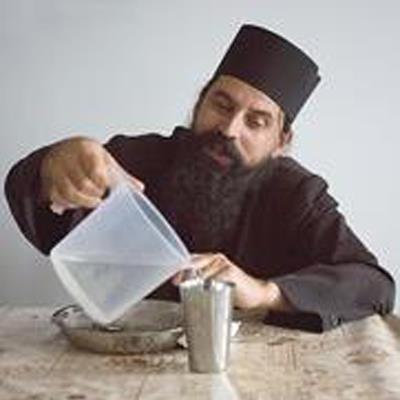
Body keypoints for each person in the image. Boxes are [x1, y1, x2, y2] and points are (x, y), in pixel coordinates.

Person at [5, 24, 395, 332]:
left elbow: (373, 286)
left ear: (281, 141)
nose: (229, 129)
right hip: (123, 354)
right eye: (221, 105)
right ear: (199, 103)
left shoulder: (298, 194)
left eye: (256, 122)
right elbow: (42, 205)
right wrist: (51, 166)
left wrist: (265, 292)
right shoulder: (136, 159)